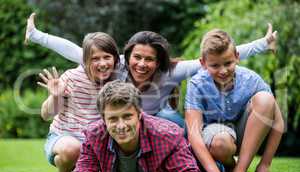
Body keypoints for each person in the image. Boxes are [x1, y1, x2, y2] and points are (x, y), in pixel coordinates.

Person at [25, 13, 277, 130]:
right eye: (137, 58)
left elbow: (217, 57)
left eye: (149, 59)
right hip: (128, 122)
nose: (142, 64)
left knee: (172, 121)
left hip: (159, 118)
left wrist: (263, 44)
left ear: (159, 61)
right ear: (128, 56)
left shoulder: (173, 71)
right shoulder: (117, 64)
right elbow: (76, 51)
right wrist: (37, 36)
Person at [185, 29, 284, 172]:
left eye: (228, 63)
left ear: (237, 57)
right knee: (220, 144)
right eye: (215, 65)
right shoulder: (197, 84)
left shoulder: (251, 79)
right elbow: (194, 133)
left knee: (266, 99)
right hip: (216, 133)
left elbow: (277, 120)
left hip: (247, 132)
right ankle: (231, 166)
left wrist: (265, 164)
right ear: (203, 63)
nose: (223, 71)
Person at [69, 80, 206, 172]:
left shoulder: (167, 135)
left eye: (127, 116)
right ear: (104, 120)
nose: (121, 126)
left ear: (139, 114)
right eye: (113, 119)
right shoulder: (94, 135)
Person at [37, 31, 121, 172]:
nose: (102, 64)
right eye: (95, 59)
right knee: (72, 148)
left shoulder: (118, 78)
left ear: (115, 58)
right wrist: (56, 96)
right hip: (65, 138)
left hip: (97, 143)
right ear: (85, 60)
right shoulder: (72, 77)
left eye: (107, 57)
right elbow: (45, 115)